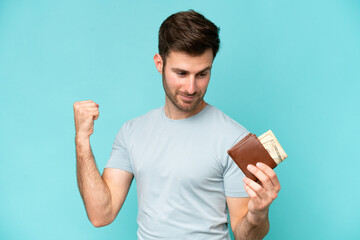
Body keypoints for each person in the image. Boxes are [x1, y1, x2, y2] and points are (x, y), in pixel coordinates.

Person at [73, 9, 281, 240]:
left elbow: (245, 236)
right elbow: (101, 214)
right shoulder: (132, 132)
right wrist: (82, 140)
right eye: (181, 73)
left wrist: (258, 214)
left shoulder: (235, 139)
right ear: (159, 63)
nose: (191, 88)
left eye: (202, 74)